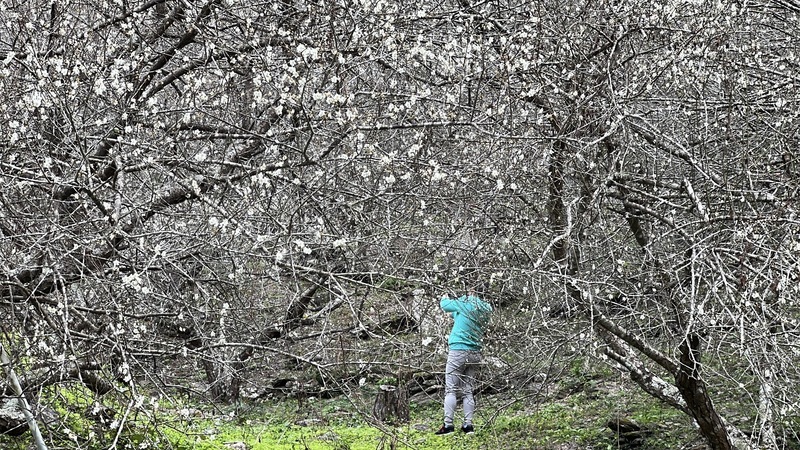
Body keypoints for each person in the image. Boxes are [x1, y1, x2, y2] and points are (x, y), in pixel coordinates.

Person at [435, 290, 492, 435]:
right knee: (468, 390)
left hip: (458, 350)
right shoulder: (486, 308)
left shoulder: (465, 302)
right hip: (475, 353)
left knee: (451, 389)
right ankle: (468, 425)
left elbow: (445, 305)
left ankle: (448, 425)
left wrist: (444, 295)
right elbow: (459, 315)